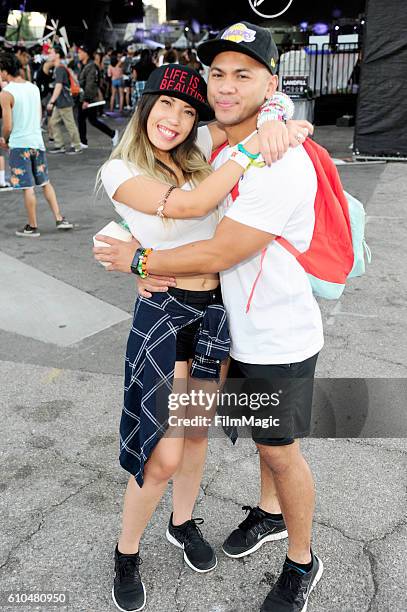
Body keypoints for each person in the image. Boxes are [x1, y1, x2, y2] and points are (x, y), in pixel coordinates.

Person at [94, 22, 323, 612]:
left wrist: (281, 118)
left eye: (242, 74)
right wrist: (126, 249)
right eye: (216, 74)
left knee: (265, 446)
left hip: (265, 333)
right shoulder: (214, 152)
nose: (223, 87)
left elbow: (217, 248)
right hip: (188, 320)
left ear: (269, 81)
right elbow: (163, 212)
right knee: (165, 450)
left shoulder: (256, 158)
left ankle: (287, 553)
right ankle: (128, 551)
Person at [0, 51, 73, 237]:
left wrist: (5, 139)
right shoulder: (33, 88)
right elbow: (39, 115)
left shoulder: (6, 93)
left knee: (28, 187)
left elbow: (7, 125)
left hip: (19, 144)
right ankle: (59, 218)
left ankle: (32, 227)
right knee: (45, 182)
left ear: (4, 71)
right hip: (36, 142)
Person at [77, 44, 118, 148]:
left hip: (89, 99)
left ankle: (112, 134)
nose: (78, 54)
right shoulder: (85, 65)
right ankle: (84, 141)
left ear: (86, 54)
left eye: (80, 52)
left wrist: (86, 100)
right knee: (86, 119)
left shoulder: (90, 66)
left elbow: (91, 84)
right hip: (85, 97)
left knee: (89, 120)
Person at [46, 46, 82, 155]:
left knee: (69, 124)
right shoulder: (59, 68)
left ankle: (77, 146)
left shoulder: (60, 69)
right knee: (53, 122)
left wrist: (51, 101)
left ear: (57, 55)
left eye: (51, 53)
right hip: (61, 101)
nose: (49, 55)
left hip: (64, 101)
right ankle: (59, 145)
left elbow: (58, 86)